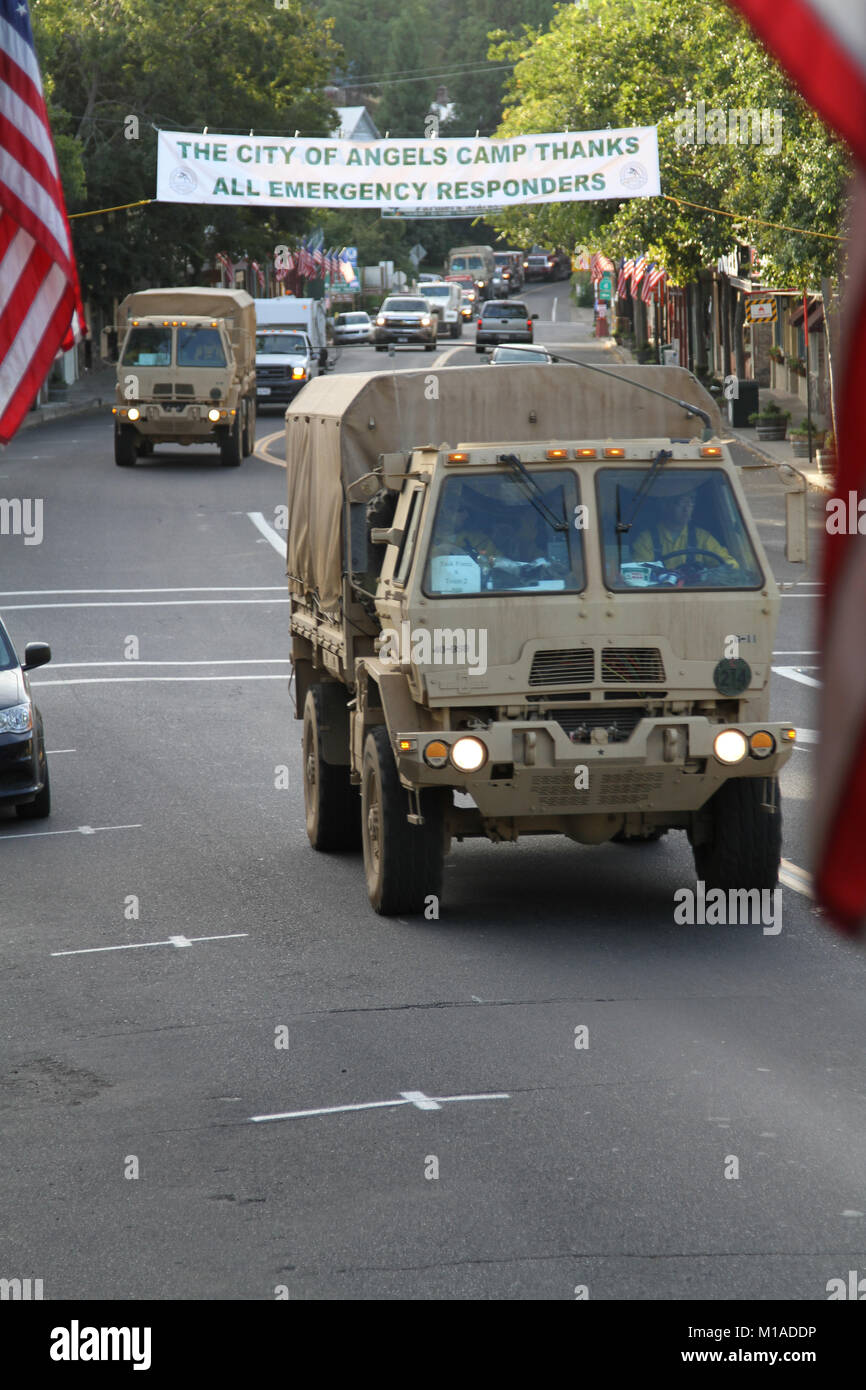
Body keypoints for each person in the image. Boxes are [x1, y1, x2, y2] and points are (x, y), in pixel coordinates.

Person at [631, 490, 739, 570]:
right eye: (681, 502)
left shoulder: (702, 537)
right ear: (665, 506)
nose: (687, 509)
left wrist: (725, 570)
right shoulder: (646, 539)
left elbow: (728, 563)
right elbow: (640, 572)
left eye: (690, 502)